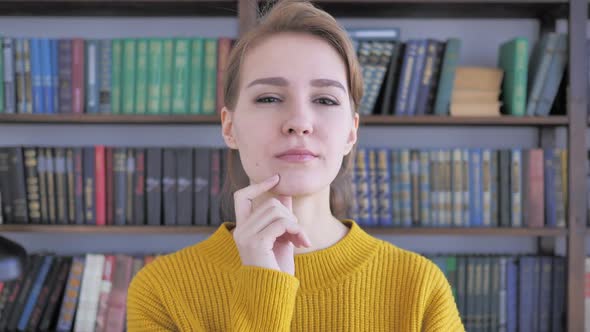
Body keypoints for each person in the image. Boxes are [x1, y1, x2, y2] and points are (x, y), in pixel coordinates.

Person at [127, 0, 465, 330]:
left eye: (325, 100)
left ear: (351, 131)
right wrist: (262, 290)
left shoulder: (419, 287)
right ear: (229, 127)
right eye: (269, 98)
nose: (299, 122)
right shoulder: (162, 290)